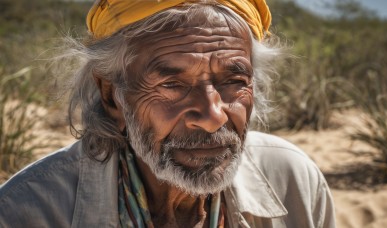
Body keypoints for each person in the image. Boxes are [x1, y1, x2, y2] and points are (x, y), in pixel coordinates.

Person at [0, 0, 335, 227]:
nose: (213, 114)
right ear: (111, 96)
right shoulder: (27, 211)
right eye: (172, 84)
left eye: (234, 81)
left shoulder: (294, 180)